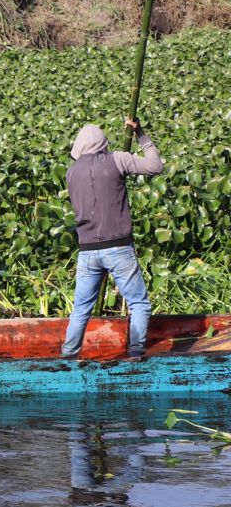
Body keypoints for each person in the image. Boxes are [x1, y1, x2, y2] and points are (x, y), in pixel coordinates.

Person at [60, 118, 163, 359]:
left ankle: (68, 357)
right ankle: (136, 353)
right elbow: (155, 166)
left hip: (87, 251)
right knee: (139, 304)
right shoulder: (117, 159)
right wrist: (141, 134)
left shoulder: (71, 173)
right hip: (118, 248)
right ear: (102, 144)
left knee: (81, 310)